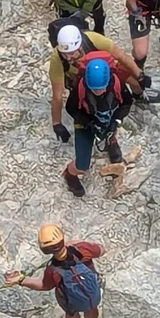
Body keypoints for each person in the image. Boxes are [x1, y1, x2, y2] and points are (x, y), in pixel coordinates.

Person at [50, 27, 142, 198]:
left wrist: (117, 121)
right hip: (87, 121)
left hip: (106, 116)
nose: (98, 92)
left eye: (101, 88)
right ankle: (70, 174)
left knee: (108, 127)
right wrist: (84, 123)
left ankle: (111, 141)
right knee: (82, 164)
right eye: (94, 89)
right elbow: (70, 107)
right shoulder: (80, 87)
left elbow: (126, 103)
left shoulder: (116, 83)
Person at [6, 226, 104, 318]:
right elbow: (101, 250)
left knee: (71, 314)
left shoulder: (52, 269)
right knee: (91, 309)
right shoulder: (83, 249)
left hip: (70, 300)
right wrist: (79, 243)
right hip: (91, 294)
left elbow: (45, 286)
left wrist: (22, 280)